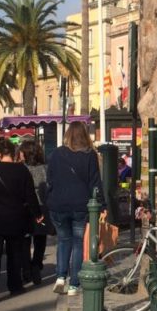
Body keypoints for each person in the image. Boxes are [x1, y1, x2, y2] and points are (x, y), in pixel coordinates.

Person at [0, 139, 41, 303]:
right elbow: (30, 195)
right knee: (14, 254)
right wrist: (37, 213)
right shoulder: (22, 170)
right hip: (15, 217)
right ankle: (15, 285)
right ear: (14, 153)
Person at [46, 122, 101, 296]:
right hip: (80, 204)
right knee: (78, 243)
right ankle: (74, 285)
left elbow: (50, 178)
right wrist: (102, 204)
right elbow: (95, 183)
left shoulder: (56, 154)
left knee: (63, 240)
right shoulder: (90, 155)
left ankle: (61, 277)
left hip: (58, 203)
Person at [18, 141, 49, 287]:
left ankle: (26, 269)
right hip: (43, 207)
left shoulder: (22, 169)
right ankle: (36, 265)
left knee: (25, 240)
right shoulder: (45, 168)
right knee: (40, 239)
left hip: (25, 207)